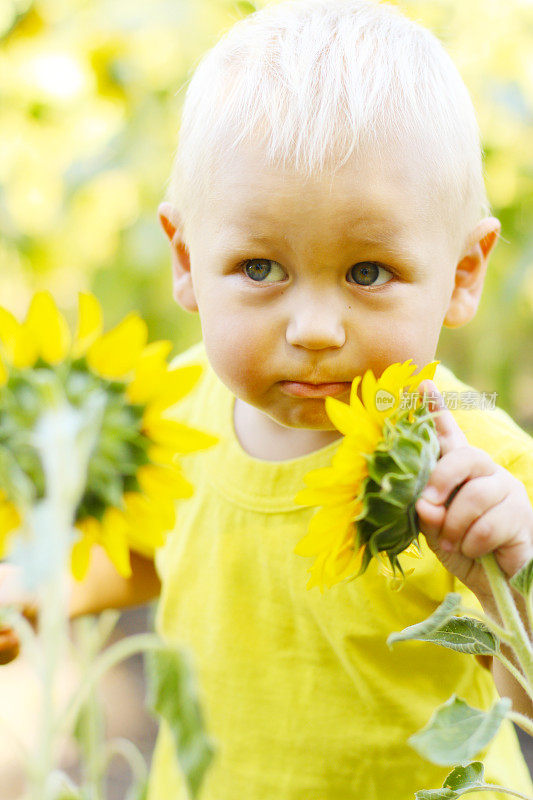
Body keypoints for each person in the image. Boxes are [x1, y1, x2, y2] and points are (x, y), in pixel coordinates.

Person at [1, 1, 533, 798]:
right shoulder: (177, 416)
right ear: (185, 258)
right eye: (259, 268)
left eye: (366, 272)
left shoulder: (473, 467)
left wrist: (506, 575)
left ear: (461, 274)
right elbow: (147, 550)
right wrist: (32, 589)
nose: (315, 329)